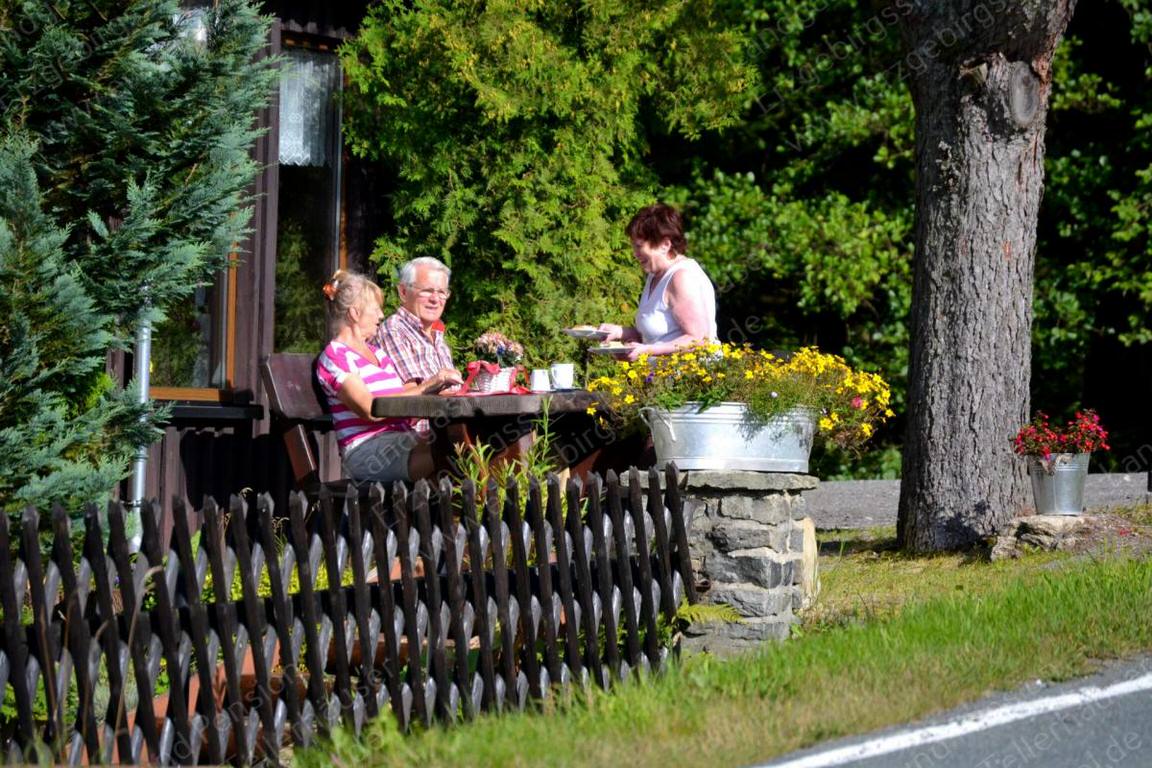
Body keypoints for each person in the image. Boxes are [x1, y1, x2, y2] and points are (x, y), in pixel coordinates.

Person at [315, 270, 462, 484]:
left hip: (402, 440)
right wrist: (429, 384)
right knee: (454, 454)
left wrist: (436, 388)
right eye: (375, 310)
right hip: (368, 450)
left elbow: (401, 398)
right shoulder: (336, 356)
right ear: (355, 313)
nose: (381, 316)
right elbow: (370, 409)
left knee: (463, 443)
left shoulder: (377, 354)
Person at [598, 203, 717, 361]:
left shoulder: (681, 277)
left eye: (639, 246)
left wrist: (647, 350)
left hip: (692, 381)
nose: (635, 254)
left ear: (665, 245)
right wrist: (620, 332)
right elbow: (657, 336)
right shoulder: (655, 275)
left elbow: (698, 339)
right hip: (662, 380)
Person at [374, 256, 462, 388]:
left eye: (442, 292)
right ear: (403, 292)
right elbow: (411, 397)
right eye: (427, 291)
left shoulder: (437, 336)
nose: (435, 299)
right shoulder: (394, 331)